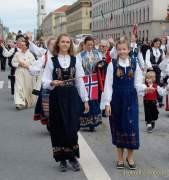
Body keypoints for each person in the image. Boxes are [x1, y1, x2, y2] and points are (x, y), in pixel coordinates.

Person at [42, 33, 89, 172]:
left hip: (71, 97)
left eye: (68, 42)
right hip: (56, 96)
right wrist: (52, 82)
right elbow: (44, 81)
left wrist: (85, 100)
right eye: (62, 41)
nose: (65, 44)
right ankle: (62, 158)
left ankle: (73, 157)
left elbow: (80, 81)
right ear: (58, 44)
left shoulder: (75, 60)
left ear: (70, 44)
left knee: (72, 127)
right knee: (58, 128)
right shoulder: (52, 61)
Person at [101, 38, 149, 170]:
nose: (122, 51)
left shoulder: (134, 63)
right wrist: (107, 103)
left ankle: (130, 157)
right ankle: (120, 157)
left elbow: (138, 82)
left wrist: (145, 88)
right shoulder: (113, 64)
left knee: (131, 126)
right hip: (117, 100)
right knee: (119, 127)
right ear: (116, 50)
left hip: (130, 99)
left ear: (128, 49)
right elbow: (108, 85)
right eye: (120, 49)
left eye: (124, 49)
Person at [25, 36, 56, 126]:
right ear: (48, 46)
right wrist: (28, 66)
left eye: (55, 44)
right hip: (47, 86)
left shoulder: (61, 56)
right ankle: (49, 122)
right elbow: (34, 69)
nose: (54, 46)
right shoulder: (45, 57)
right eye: (52, 44)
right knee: (46, 108)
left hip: (59, 86)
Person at [77, 36, 102, 131]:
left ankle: (93, 123)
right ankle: (84, 120)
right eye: (88, 45)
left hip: (94, 79)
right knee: (85, 99)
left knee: (94, 99)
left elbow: (101, 63)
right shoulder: (80, 55)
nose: (90, 46)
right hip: (85, 79)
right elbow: (78, 67)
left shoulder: (97, 53)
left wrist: (100, 65)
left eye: (92, 45)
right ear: (84, 45)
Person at [12, 37, 36, 110]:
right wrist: (18, 64)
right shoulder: (17, 54)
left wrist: (27, 65)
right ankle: (19, 103)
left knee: (27, 88)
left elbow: (34, 64)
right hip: (19, 73)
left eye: (23, 45)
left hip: (28, 74)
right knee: (18, 87)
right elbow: (13, 62)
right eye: (20, 45)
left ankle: (26, 101)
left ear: (26, 46)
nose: (21, 46)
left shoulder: (30, 55)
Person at [145, 38, 165, 107]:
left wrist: (163, 69)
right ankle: (151, 99)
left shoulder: (161, 51)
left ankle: (159, 100)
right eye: (156, 43)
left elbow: (163, 60)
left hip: (158, 69)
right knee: (151, 84)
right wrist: (150, 67)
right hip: (151, 69)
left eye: (159, 44)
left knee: (159, 84)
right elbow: (147, 60)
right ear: (153, 43)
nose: (157, 45)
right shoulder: (149, 50)